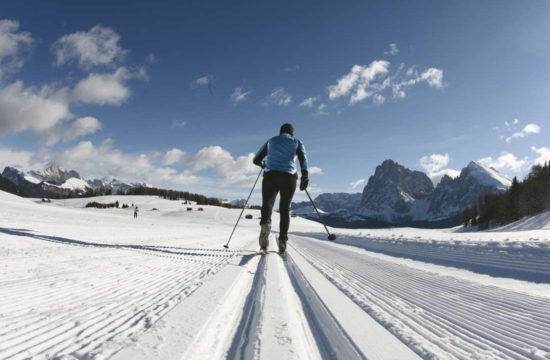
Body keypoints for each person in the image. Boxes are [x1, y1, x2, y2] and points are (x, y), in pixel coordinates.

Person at [253, 123, 309, 254]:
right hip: (289, 177)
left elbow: (256, 159)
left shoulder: (271, 141)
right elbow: (303, 159)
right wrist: (304, 176)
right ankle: (283, 241)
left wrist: (264, 164)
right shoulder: (297, 142)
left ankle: (266, 224)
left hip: (270, 175)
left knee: (267, 205)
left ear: (280, 132)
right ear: (292, 133)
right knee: (284, 209)